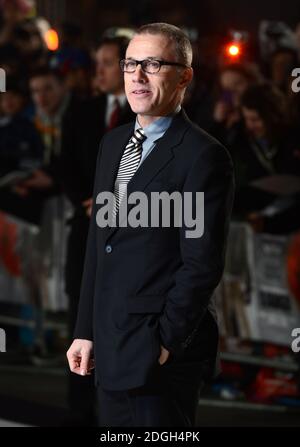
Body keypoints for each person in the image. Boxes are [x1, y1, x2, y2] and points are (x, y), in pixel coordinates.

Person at [67, 22, 234, 427]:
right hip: (109, 342)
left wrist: (164, 343)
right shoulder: (113, 143)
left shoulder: (202, 156)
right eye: (130, 64)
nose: (137, 76)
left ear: (185, 76)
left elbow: (201, 265)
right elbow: (100, 243)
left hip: (159, 354)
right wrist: (86, 329)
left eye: (153, 64)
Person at [60, 35, 135, 425]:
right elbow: (65, 161)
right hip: (85, 232)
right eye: (98, 62)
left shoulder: (145, 117)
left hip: (127, 235)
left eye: (108, 62)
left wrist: (110, 204)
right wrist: (87, 201)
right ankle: (78, 409)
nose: (99, 71)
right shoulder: (83, 109)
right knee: (80, 317)